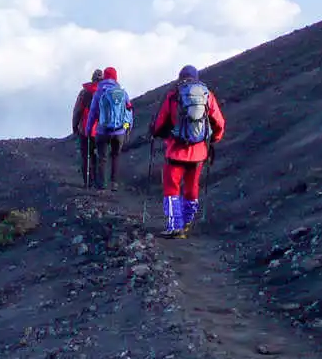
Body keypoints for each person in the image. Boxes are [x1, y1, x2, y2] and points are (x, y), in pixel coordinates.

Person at [149, 64, 225, 238]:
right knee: (192, 188)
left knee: (171, 188)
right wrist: (212, 140)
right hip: (198, 153)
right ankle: (187, 222)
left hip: (175, 151)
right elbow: (219, 122)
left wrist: (158, 134)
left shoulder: (173, 96)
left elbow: (160, 123)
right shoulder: (207, 95)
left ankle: (175, 226)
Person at [86, 67, 133, 190]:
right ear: (116, 77)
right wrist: (127, 128)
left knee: (102, 157)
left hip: (102, 131)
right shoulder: (123, 93)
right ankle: (114, 184)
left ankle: (101, 185)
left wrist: (88, 129)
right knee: (115, 156)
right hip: (119, 131)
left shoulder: (99, 92)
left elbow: (92, 113)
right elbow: (128, 113)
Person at [70, 69, 103, 187]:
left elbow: (77, 111)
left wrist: (74, 127)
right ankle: (99, 182)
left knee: (86, 156)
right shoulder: (105, 92)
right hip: (101, 130)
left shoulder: (84, 93)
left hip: (85, 129)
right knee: (98, 156)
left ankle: (87, 182)